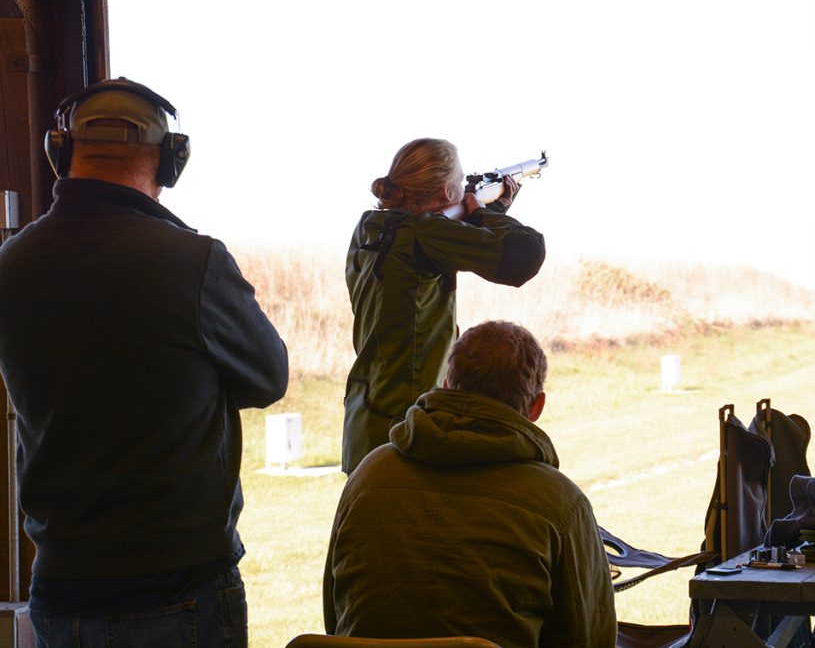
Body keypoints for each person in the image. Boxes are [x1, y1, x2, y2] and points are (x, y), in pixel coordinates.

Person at [0, 77, 288, 646]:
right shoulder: (193, 262)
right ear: (169, 161)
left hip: (60, 588)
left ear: (61, 153)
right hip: (180, 589)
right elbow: (269, 378)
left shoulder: (10, 264)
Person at [324, 320, 616, 647]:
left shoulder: (368, 476)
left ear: (447, 384)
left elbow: (335, 616)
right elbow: (591, 637)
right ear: (536, 407)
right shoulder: (562, 504)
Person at [342, 138, 546, 473]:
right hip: (407, 428)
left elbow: (443, 241)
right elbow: (524, 256)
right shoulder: (425, 234)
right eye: (459, 182)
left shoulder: (372, 227)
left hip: (365, 422)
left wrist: (487, 212)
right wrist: (481, 213)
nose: (464, 187)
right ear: (442, 193)